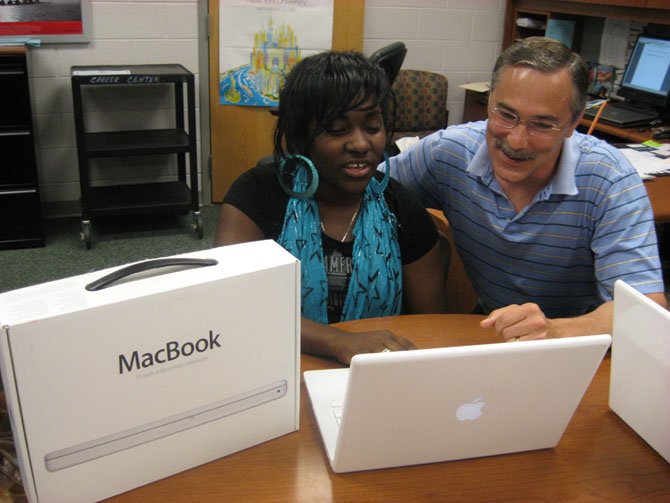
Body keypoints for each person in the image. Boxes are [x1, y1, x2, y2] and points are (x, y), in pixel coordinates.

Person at [383, 36, 667, 341]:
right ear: (489, 101)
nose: (517, 141)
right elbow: (367, 188)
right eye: (505, 115)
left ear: (574, 123)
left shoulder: (609, 179)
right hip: (494, 330)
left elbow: (642, 311)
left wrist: (554, 330)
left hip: (581, 340)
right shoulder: (448, 153)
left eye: (543, 125)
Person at [215, 51, 447, 364]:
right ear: (301, 137)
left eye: (372, 127)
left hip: (372, 374)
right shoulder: (258, 193)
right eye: (337, 129)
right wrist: (337, 342)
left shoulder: (400, 207)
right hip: (272, 366)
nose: (360, 144)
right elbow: (228, 306)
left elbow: (432, 325)